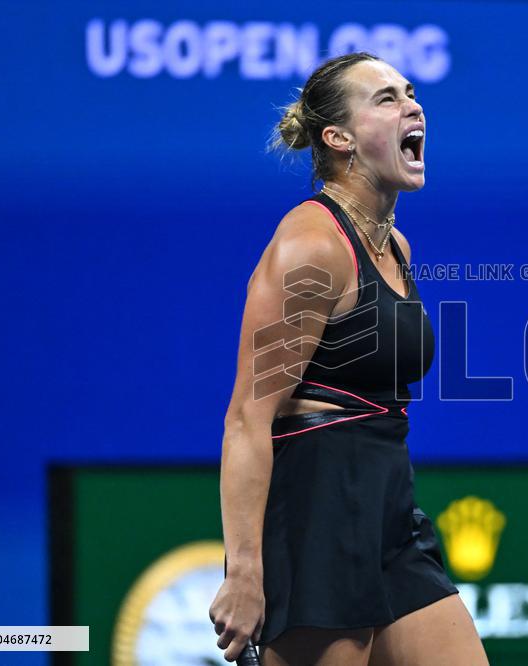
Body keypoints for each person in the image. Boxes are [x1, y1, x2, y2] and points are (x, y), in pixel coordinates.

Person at [207, 52, 489, 665]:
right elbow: (248, 421)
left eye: (411, 92)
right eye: (385, 98)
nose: (412, 105)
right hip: (317, 517)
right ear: (338, 138)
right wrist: (245, 573)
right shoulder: (311, 246)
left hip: (390, 512)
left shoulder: (396, 246)